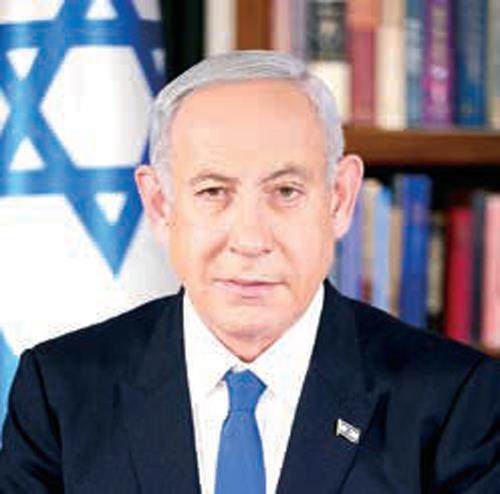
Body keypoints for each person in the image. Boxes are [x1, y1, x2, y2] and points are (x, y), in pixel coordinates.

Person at [0, 51, 499, 494]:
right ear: (159, 204)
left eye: (286, 192)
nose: (250, 239)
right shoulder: (61, 392)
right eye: (213, 192)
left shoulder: (455, 400)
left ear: (340, 198)